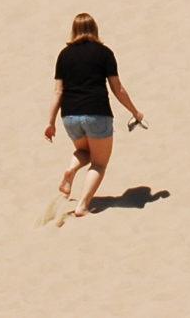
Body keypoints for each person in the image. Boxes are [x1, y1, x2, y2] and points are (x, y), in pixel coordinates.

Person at [42, 13, 145, 222]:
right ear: (95, 29)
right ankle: (82, 205)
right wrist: (135, 112)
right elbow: (118, 89)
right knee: (99, 164)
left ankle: (71, 170)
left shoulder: (64, 55)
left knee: (83, 151)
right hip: (97, 113)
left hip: (70, 116)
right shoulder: (104, 53)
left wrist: (50, 122)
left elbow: (57, 92)